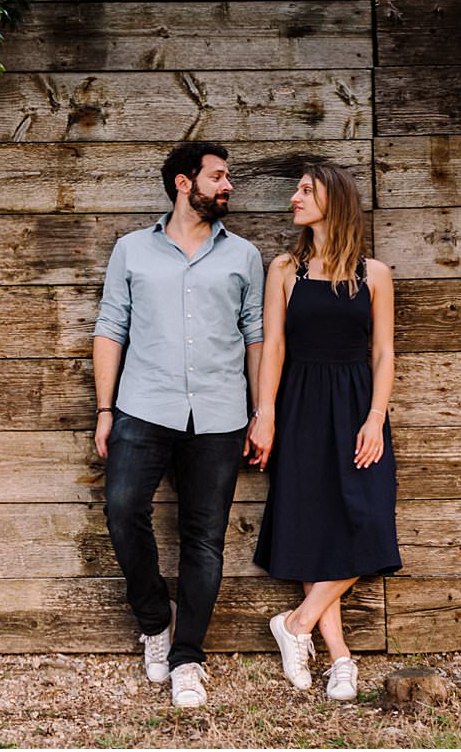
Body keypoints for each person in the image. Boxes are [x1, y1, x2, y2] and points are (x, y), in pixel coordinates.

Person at [93, 142, 264, 708]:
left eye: (228, 178)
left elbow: (255, 337)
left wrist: (262, 413)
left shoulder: (242, 256)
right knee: (121, 509)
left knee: (205, 539)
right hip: (144, 407)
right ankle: (154, 623)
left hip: (219, 414)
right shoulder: (131, 251)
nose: (228, 186)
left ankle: (188, 657)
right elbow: (110, 327)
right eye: (218, 177)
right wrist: (104, 408)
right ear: (184, 184)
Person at [248, 163, 402, 701]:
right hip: (301, 406)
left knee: (370, 520)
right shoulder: (285, 269)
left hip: (359, 404)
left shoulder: (375, 274)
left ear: (332, 201)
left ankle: (296, 624)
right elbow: (274, 348)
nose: (294, 198)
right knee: (316, 527)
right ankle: (340, 659)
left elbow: (383, 353)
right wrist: (264, 413)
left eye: (305, 191)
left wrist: (376, 417)